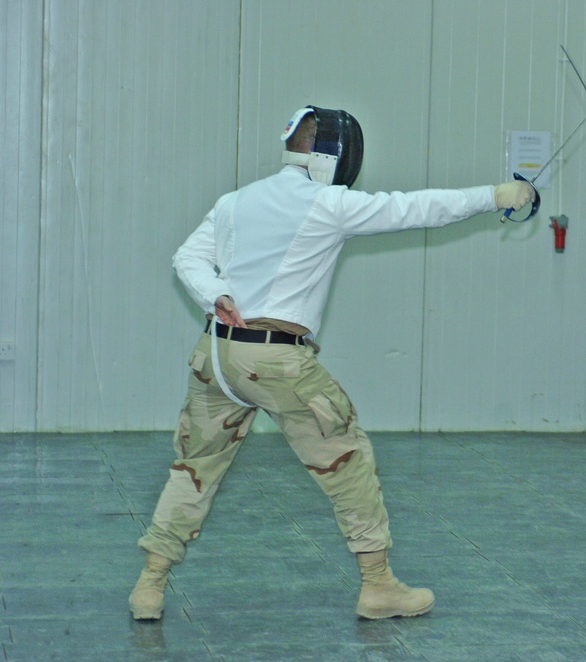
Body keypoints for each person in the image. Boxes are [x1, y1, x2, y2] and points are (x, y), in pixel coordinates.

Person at [128, 105, 535, 621]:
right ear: (337, 155)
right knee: (348, 462)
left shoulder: (235, 201)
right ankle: (379, 585)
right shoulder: (326, 204)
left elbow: (187, 257)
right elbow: (415, 208)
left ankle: (149, 586)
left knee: (194, 468)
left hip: (216, 355)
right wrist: (496, 195)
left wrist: (217, 294)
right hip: (277, 360)